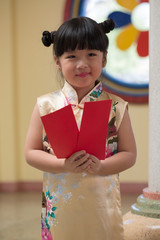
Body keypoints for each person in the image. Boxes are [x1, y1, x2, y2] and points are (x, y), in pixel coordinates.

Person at [25, 16, 137, 240]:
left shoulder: (117, 106)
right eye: (72, 56)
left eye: (91, 55)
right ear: (58, 61)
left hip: (101, 206)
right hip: (59, 205)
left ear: (104, 58)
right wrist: (62, 164)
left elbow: (129, 154)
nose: (82, 64)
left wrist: (101, 167)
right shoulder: (45, 105)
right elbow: (30, 153)